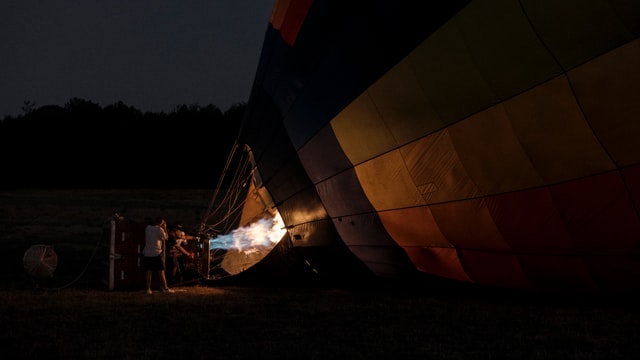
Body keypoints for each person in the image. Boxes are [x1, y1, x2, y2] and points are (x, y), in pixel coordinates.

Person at [142, 216, 174, 294]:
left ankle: (148, 289)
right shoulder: (159, 229)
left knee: (148, 271)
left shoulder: (148, 228)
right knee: (161, 271)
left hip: (147, 252)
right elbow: (165, 237)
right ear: (161, 223)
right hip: (156, 253)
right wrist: (165, 228)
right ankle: (165, 288)